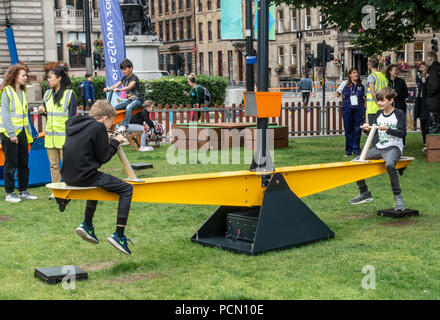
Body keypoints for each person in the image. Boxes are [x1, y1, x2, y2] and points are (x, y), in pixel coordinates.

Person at [60, 100, 134, 255]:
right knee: (127, 189)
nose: (110, 126)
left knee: (96, 184)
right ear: (105, 118)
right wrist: (115, 141)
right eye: (111, 123)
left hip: (68, 175)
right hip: (84, 176)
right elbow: (103, 158)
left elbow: (87, 149)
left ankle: (87, 224)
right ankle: (119, 236)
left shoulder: (76, 124)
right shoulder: (99, 127)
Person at [348, 87, 407, 211]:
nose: (379, 103)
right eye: (378, 100)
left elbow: (403, 133)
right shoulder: (379, 114)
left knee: (390, 165)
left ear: (391, 100)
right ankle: (364, 192)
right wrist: (366, 129)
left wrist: (388, 129)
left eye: (382, 100)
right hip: (380, 147)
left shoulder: (399, 113)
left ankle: (398, 197)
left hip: (393, 147)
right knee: (355, 162)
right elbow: (374, 133)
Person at [37, 66, 77, 200]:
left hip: (65, 137)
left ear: (59, 78)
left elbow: (72, 117)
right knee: (53, 165)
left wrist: (71, 136)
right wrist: (43, 112)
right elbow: (50, 115)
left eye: (50, 77)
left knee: (67, 165)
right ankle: (55, 190)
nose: (48, 80)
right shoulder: (47, 94)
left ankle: (69, 189)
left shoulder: (69, 94)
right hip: (50, 138)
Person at [0, 64, 38, 203]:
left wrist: (27, 132)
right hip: (10, 133)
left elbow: (24, 115)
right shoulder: (6, 91)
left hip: (21, 133)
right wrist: (11, 134)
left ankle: (23, 191)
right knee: (11, 163)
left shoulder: (22, 93)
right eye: (23, 75)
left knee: (23, 163)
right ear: (15, 76)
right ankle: (9, 193)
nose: (26, 77)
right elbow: (5, 114)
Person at [103, 59, 142, 132]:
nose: (123, 71)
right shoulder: (124, 78)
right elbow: (116, 85)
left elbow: (130, 86)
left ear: (131, 68)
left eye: (125, 69)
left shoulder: (134, 78)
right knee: (115, 107)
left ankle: (125, 126)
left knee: (129, 107)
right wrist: (108, 89)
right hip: (130, 100)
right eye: (122, 70)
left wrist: (119, 90)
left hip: (137, 100)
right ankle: (110, 123)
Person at [334, 67, 366, 157]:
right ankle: (348, 151)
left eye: (357, 73)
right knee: (348, 131)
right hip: (347, 110)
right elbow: (337, 93)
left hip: (358, 111)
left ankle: (356, 150)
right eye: (354, 73)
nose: (356, 74)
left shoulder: (362, 84)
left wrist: (365, 110)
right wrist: (337, 93)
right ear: (350, 75)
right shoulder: (345, 83)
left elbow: (366, 97)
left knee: (357, 130)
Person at [366, 57, 389, 126]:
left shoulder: (371, 76)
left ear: (369, 66)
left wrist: (378, 103)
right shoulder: (383, 76)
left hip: (374, 108)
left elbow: (373, 93)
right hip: (384, 106)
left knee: (374, 131)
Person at [415, 62, 429, 151]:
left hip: (426, 104)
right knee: (422, 123)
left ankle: (428, 143)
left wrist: (424, 82)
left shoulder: (429, 78)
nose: (421, 69)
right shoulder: (420, 77)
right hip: (420, 102)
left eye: (423, 67)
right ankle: (424, 142)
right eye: (420, 67)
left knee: (427, 124)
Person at [425, 51, 440, 134]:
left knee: (433, 127)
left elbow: (434, 86)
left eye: (426, 60)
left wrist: (429, 94)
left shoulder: (433, 69)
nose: (426, 62)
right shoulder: (438, 68)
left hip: (433, 103)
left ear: (430, 59)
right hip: (437, 101)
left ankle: (434, 146)